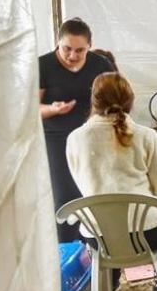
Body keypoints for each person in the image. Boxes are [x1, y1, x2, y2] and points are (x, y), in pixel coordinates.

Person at [66, 73, 157, 291]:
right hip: (147, 235)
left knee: (106, 215)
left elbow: (84, 186)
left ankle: (109, 284)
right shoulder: (146, 136)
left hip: (98, 238)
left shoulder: (74, 139)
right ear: (130, 101)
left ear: (94, 101)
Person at [39, 17, 114, 243]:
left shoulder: (100, 64)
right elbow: (30, 109)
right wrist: (51, 109)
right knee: (65, 199)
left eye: (80, 50)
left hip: (94, 137)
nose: (72, 56)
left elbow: (115, 99)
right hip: (57, 137)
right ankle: (68, 253)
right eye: (67, 49)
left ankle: (100, 253)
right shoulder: (43, 65)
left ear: (89, 46)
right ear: (57, 43)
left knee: (95, 193)